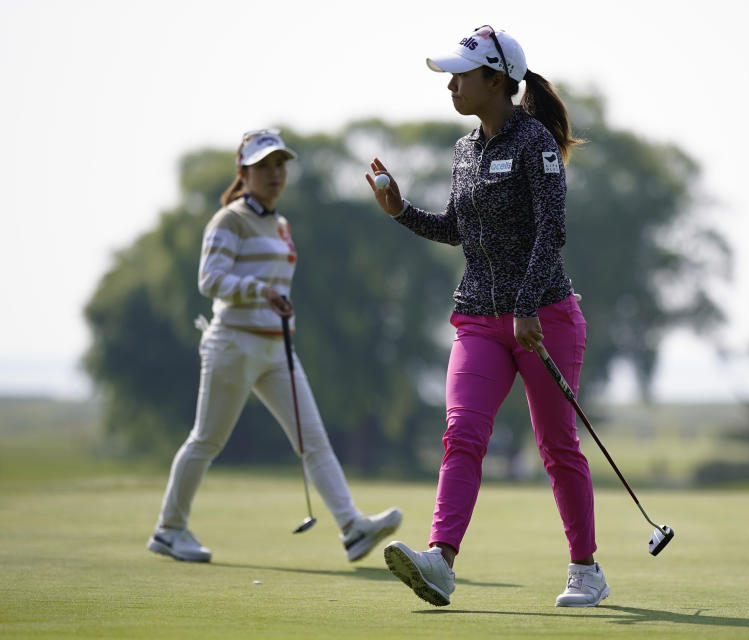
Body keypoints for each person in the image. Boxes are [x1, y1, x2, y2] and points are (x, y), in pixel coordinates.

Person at [366, 26, 608, 608]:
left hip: (544, 313)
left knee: (557, 446)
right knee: (462, 432)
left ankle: (586, 570)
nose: (451, 84)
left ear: (495, 80)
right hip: (478, 317)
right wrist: (400, 211)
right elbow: (456, 229)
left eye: (461, 75)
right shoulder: (464, 150)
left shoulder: (537, 144)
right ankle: (441, 561)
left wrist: (526, 307)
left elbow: (552, 231)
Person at [148, 129, 401, 564]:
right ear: (243, 172)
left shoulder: (279, 224)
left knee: (314, 442)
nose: (274, 173)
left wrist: (276, 303)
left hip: (275, 348)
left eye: (280, 164)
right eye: (263, 166)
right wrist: (259, 291)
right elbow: (209, 280)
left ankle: (352, 527)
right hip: (232, 344)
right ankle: (170, 530)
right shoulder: (229, 219)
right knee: (207, 439)